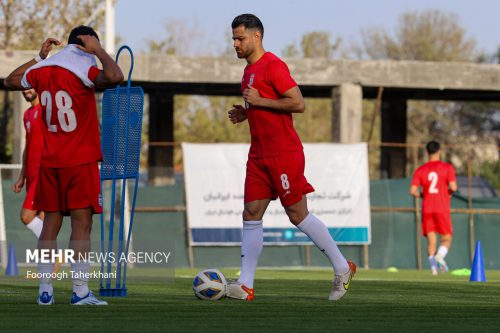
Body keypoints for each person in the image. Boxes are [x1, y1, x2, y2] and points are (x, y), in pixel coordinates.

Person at [226, 14, 356, 301]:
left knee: (297, 214)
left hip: (284, 154)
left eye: (240, 38)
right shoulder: (247, 72)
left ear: (256, 37)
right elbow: (266, 108)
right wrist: (247, 112)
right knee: (250, 213)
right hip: (258, 155)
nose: (235, 43)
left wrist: (260, 102)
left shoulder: (273, 66)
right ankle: (245, 285)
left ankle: (342, 266)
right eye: (233, 38)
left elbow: (298, 103)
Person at [5, 25, 123, 305]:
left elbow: (11, 80)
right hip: (79, 160)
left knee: (50, 226)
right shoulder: (83, 64)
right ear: (85, 42)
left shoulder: (45, 68)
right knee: (82, 224)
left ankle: (44, 290)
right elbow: (115, 76)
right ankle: (80, 291)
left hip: (50, 161)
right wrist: (98, 50)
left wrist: (39, 57)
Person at [410, 141, 457, 275]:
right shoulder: (447, 168)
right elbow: (453, 187)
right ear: (439, 151)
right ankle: (440, 256)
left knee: (431, 241)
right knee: (447, 238)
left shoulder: (421, 170)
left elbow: (412, 190)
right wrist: (449, 193)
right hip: (442, 207)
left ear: (427, 152)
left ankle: (433, 269)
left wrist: (423, 195)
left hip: (427, 208)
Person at [11, 89, 44, 238]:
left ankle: (53, 252)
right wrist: (21, 177)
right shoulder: (27, 114)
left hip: (42, 174)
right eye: (23, 88)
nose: (26, 90)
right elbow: (28, 146)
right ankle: (51, 259)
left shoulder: (46, 110)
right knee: (43, 219)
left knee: (26, 217)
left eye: (30, 86)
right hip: (30, 174)